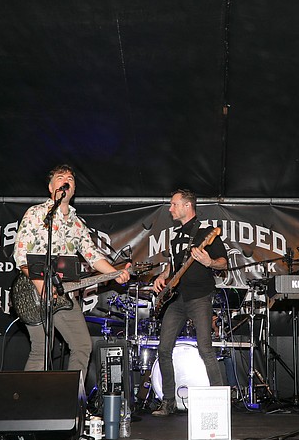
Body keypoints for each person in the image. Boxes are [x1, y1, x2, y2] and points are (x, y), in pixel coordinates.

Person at [13, 164, 129, 386]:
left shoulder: (77, 223)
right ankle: (28, 402)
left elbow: (92, 256)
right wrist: (41, 285)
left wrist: (115, 273)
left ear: (73, 189)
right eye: (60, 177)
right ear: (51, 187)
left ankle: (71, 399)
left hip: (64, 292)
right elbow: (21, 255)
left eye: (70, 179)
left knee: (82, 345)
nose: (66, 180)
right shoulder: (36, 214)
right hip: (32, 290)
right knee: (41, 348)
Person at [151, 189, 228, 415]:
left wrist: (209, 262)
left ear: (187, 206)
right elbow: (175, 265)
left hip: (199, 297)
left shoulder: (205, 233)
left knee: (205, 348)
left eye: (174, 204)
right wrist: (163, 276)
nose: (170, 209)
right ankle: (168, 401)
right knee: (164, 349)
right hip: (176, 299)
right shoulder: (176, 236)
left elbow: (224, 263)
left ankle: (219, 402)